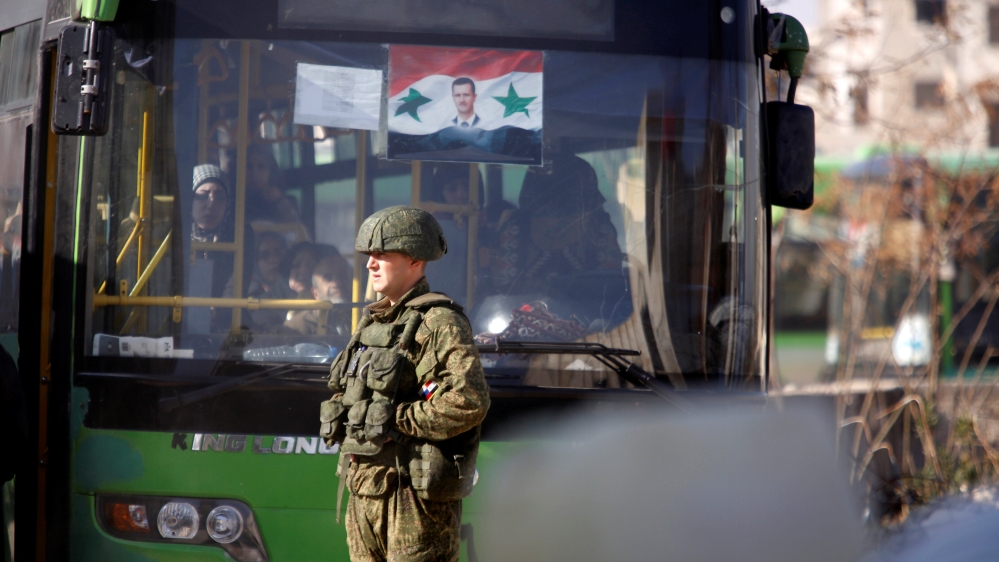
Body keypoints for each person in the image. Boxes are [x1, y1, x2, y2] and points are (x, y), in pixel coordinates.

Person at [320, 205, 490, 562]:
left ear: (415, 259)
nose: (371, 264)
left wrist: (395, 420)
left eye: (382, 254)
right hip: (364, 489)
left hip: (412, 498)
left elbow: (469, 400)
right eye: (369, 255)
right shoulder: (372, 323)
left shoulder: (439, 323)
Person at [284, 254, 352, 338]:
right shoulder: (297, 326)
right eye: (328, 278)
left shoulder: (366, 315)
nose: (336, 283)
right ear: (316, 293)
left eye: (342, 276)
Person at [246, 231, 296, 331]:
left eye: (278, 253)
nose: (273, 259)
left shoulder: (298, 286)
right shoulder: (248, 295)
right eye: (265, 255)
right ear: (255, 262)